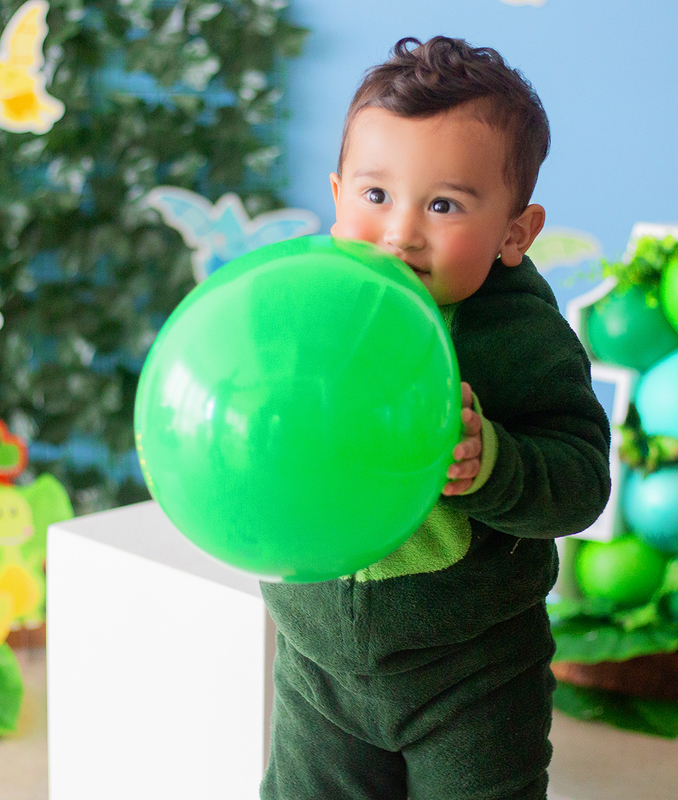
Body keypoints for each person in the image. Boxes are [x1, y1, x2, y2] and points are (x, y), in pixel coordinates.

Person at [259, 37, 611, 800]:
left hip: (471, 674)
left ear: (515, 231)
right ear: (337, 192)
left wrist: (494, 464)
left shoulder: (521, 338)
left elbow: (581, 483)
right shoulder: (310, 309)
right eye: (375, 195)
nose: (400, 232)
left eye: (443, 204)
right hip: (318, 665)